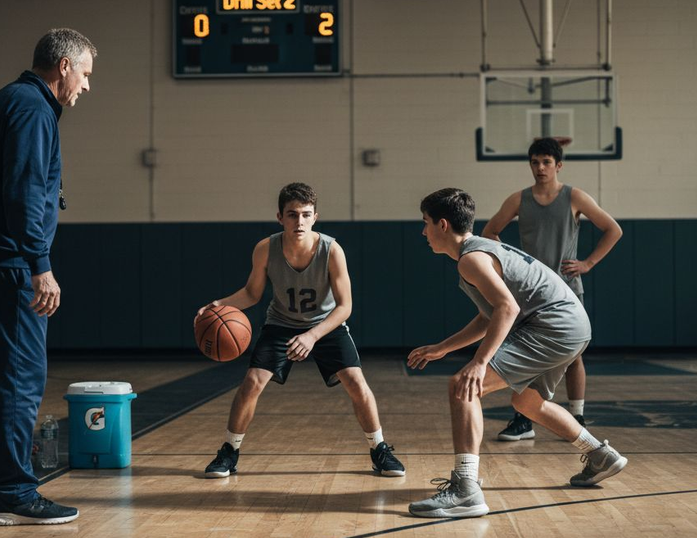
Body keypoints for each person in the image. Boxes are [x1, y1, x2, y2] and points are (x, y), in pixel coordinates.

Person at [0, 28, 96, 526]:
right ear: (63, 67)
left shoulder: (5, 99)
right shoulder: (33, 109)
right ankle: (12, 493)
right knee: (17, 379)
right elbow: (25, 191)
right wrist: (40, 264)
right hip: (8, 262)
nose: (85, 86)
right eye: (85, 74)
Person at [406, 188, 626, 518]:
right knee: (527, 403)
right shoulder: (480, 252)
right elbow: (490, 315)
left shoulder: (471, 259)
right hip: (573, 324)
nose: (423, 232)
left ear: (442, 224)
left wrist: (479, 364)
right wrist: (443, 347)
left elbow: (507, 308)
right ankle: (599, 455)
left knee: (463, 386)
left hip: (553, 324)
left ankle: (466, 488)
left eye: (424, 223)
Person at [195, 183, 405, 479]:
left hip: (325, 326)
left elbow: (345, 307)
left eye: (306, 215)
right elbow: (252, 294)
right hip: (281, 324)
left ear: (315, 216)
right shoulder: (266, 249)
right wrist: (219, 304)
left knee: (356, 383)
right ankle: (229, 451)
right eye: (292, 215)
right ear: (279, 217)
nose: (299, 222)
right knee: (252, 382)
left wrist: (312, 335)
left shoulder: (331, 250)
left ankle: (379, 449)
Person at [481, 138, 622, 441]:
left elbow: (614, 229)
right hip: (530, 292)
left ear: (558, 166)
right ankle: (523, 420)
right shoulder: (518, 199)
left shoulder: (574, 197)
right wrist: (510, 261)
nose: (540, 168)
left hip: (567, 288)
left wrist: (588, 263)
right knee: (526, 352)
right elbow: (489, 232)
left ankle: (577, 414)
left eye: (546, 162)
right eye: (535, 162)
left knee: (574, 356)